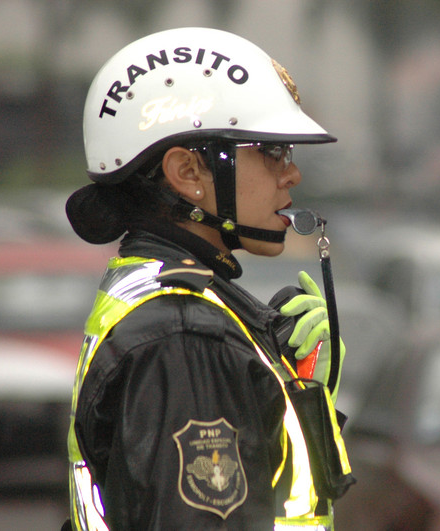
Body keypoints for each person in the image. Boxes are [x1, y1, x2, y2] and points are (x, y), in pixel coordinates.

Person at [63, 27, 354, 531]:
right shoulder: (187, 340)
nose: (292, 175)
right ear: (188, 172)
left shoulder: (166, 295)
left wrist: (292, 386)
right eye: (270, 150)